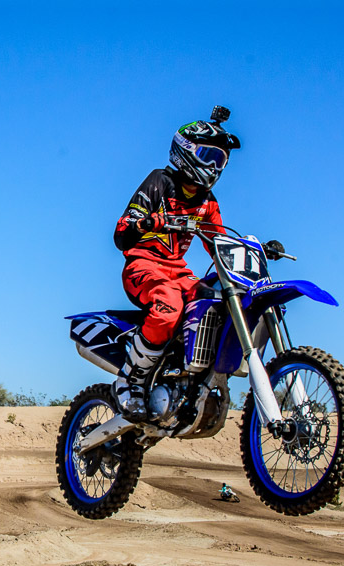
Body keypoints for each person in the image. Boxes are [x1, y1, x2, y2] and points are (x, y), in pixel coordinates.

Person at [112, 106, 241, 421]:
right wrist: (147, 222)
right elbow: (122, 232)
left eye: (221, 160)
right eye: (209, 156)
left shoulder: (207, 201)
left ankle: (187, 372)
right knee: (169, 304)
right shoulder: (160, 181)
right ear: (186, 151)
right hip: (143, 265)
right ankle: (130, 380)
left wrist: (251, 250)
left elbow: (218, 243)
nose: (215, 166)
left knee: (215, 296)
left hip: (178, 271)